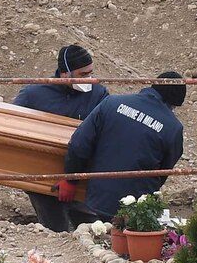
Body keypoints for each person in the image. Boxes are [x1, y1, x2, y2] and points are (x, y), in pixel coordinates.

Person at [57, 71, 185, 222]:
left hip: (95, 203)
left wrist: (71, 180)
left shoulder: (112, 103)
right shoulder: (173, 128)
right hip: (135, 214)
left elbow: (79, 144)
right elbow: (162, 172)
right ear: (174, 102)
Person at [12, 45, 109, 232]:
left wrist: (73, 178)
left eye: (91, 73)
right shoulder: (35, 94)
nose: (89, 79)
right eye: (83, 74)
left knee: (96, 229)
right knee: (55, 230)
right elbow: (13, 123)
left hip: (82, 175)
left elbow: (103, 134)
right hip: (43, 178)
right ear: (64, 74)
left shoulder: (98, 94)